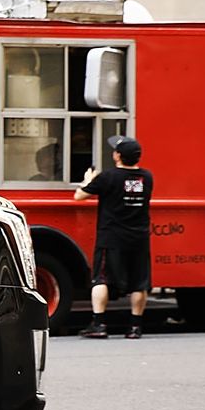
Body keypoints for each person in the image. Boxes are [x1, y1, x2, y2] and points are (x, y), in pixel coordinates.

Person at [75, 135, 154, 339]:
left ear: (117, 155)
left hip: (111, 237)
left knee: (101, 279)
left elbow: (79, 196)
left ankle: (99, 324)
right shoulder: (147, 177)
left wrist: (88, 180)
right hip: (139, 238)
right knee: (139, 282)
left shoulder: (108, 177)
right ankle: (135, 327)